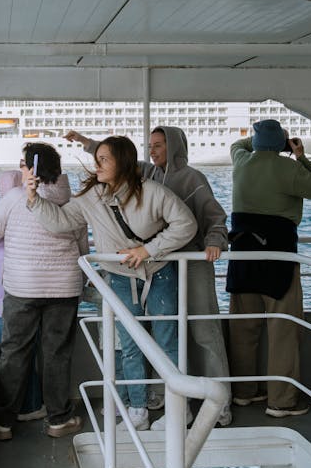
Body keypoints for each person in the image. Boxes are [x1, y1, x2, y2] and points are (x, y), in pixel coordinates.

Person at [25, 136, 197, 431]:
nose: (97, 164)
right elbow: (61, 223)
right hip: (119, 276)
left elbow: (187, 224)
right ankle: (137, 409)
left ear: (124, 162)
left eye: (104, 159)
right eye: (98, 159)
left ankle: (180, 410)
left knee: (168, 341)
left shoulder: (154, 192)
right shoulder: (90, 198)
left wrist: (148, 250)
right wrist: (33, 198)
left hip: (160, 272)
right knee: (129, 344)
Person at [66, 127, 233, 426]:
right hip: (159, 263)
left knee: (203, 331)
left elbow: (214, 215)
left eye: (159, 145)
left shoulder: (193, 178)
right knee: (164, 335)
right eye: (150, 146)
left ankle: (219, 403)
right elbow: (116, 161)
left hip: (191, 259)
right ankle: (165, 397)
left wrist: (216, 240)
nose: (153, 151)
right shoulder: (150, 174)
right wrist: (85, 143)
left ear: (175, 147)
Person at [0, 143, 89, 441]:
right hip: (64, 287)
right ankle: (58, 419)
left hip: (22, 287)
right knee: (56, 354)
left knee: (14, 352)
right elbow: (83, 249)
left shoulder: (14, 197)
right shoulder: (72, 200)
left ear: (29, 168)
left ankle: (3, 422)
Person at [226, 119, 311, 418]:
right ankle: (281, 402)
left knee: (243, 329)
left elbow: (237, 145)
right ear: (282, 144)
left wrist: (264, 142)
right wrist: (299, 154)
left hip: (242, 255)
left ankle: (243, 392)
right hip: (278, 256)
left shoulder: (242, 161)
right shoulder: (290, 169)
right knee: (283, 331)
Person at [0, 169, 46, 421]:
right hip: (31, 288)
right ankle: (32, 403)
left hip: (8, 295)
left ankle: (21, 408)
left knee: (13, 353)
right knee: (29, 351)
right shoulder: (30, 208)